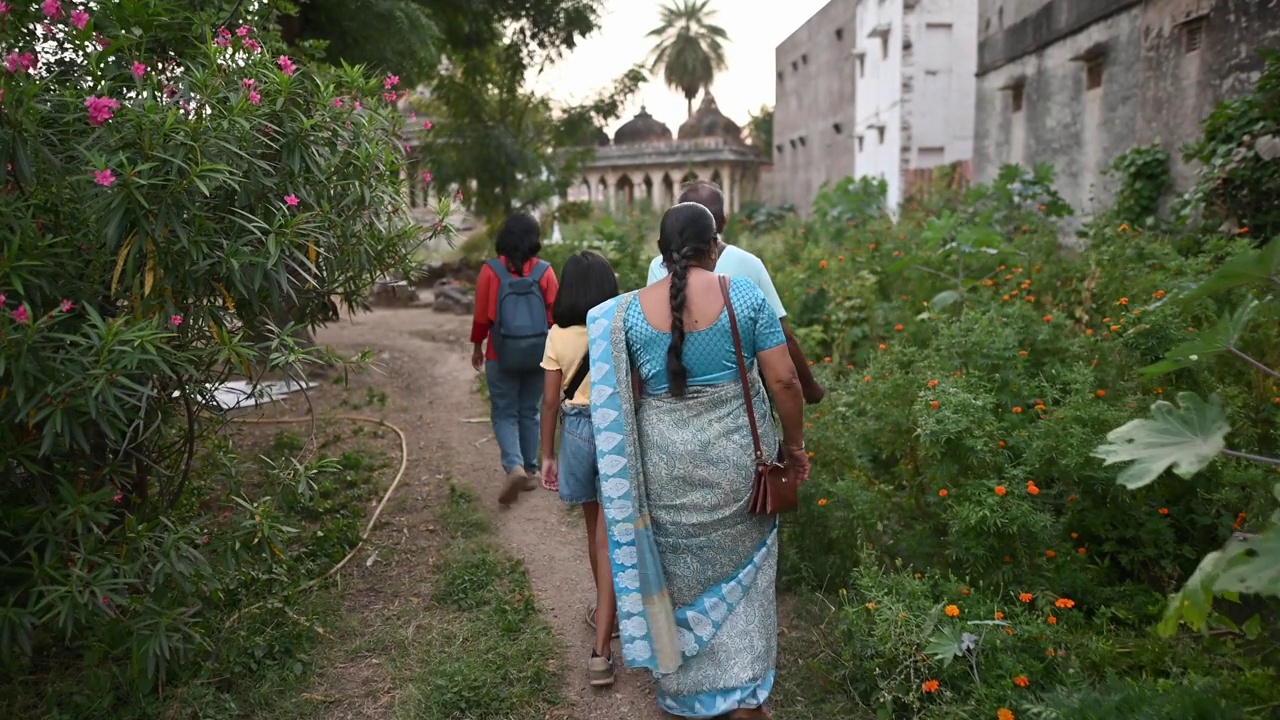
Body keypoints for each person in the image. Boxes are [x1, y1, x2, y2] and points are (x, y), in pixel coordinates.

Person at [587, 203, 810, 719]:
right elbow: (785, 381)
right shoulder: (743, 296)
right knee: (747, 588)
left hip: (664, 475)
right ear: (715, 248)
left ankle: (688, 695)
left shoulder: (624, 314)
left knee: (681, 579)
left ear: (662, 254)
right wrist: (794, 447)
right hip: (738, 474)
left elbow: (625, 398)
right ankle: (744, 693)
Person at [647, 181, 825, 406]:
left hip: (674, 393)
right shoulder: (748, 264)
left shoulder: (657, 266)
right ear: (722, 222)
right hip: (740, 401)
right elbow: (782, 336)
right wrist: (810, 388)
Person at [538, 250, 622, 688]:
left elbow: (550, 401)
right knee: (611, 536)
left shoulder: (558, 335)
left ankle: (602, 611)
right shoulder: (617, 328)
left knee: (594, 532)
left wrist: (546, 455)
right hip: (614, 431)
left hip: (574, 433)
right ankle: (605, 641)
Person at [470, 213, 559, 507]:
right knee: (529, 410)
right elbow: (555, 316)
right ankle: (531, 470)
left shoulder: (490, 271)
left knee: (505, 411)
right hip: (537, 352)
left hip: (501, 351)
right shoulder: (545, 272)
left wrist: (477, 347)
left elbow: (482, 316)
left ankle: (514, 466)